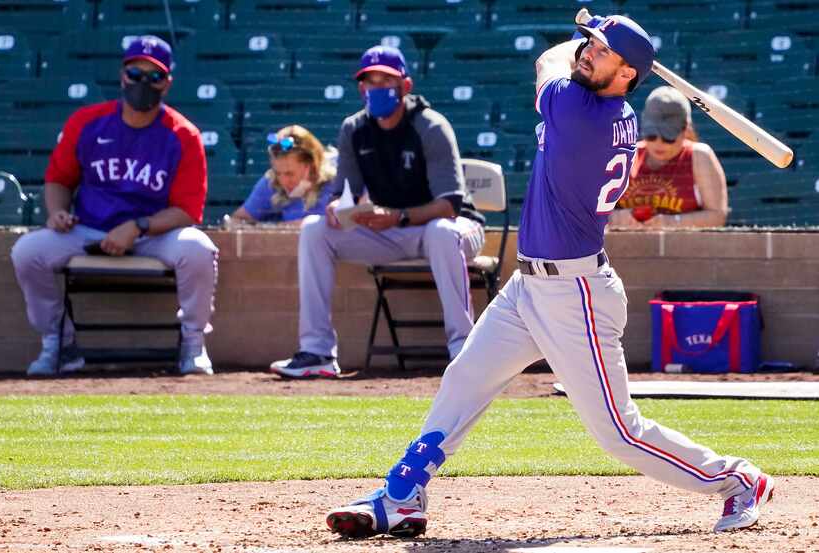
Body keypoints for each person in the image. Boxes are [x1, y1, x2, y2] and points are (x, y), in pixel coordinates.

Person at [324, 15, 773, 539]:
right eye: (590, 46)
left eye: (602, 52)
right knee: (466, 378)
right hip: (530, 285)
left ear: (628, 73)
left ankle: (737, 479)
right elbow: (579, 62)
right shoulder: (616, 109)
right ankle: (402, 493)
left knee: (619, 435)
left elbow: (547, 61)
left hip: (574, 294)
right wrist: (601, 35)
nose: (588, 53)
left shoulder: (577, 109)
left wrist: (579, 32)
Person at [270, 45, 486, 379]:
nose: (377, 88)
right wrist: (336, 209)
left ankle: (465, 352)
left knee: (442, 231)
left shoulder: (431, 126)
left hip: (451, 228)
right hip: (390, 231)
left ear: (406, 86)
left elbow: (450, 204)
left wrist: (398, 216)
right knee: (314, 229)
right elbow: (347, 194)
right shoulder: (353, 129)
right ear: (361, 89)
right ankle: (317, 352)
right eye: (370, 82)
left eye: (386, 80)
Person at [11, 36, 218, 377]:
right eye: (136, 73)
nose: (143, 83)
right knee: (28, 251)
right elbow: (59, 179)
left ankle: (194, 344)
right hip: (89, 227)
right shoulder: (87, 122)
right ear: (123, 76)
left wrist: (137, 226)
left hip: (152, 232)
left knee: (198, 249)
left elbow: (187, 211)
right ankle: (60, 342)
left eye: (154, 77)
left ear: (167, 84)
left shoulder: (183, 134)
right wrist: (58, 212)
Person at [609, 86, 728, 228]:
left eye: (668, 137)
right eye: (651, 135)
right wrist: (617, 217)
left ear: (685, 130)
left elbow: (717, 216)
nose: (659, 142)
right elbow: (591, 211)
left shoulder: (698, 157)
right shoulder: (625, 155)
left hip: (683, 247)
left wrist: (671, 222)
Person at [225, 125, 335, 226]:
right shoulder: (271, 181)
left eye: (289, 174)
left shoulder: (337, 181)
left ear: (311, 165)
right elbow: (237, 219)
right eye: (278, 173)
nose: (283, 181)